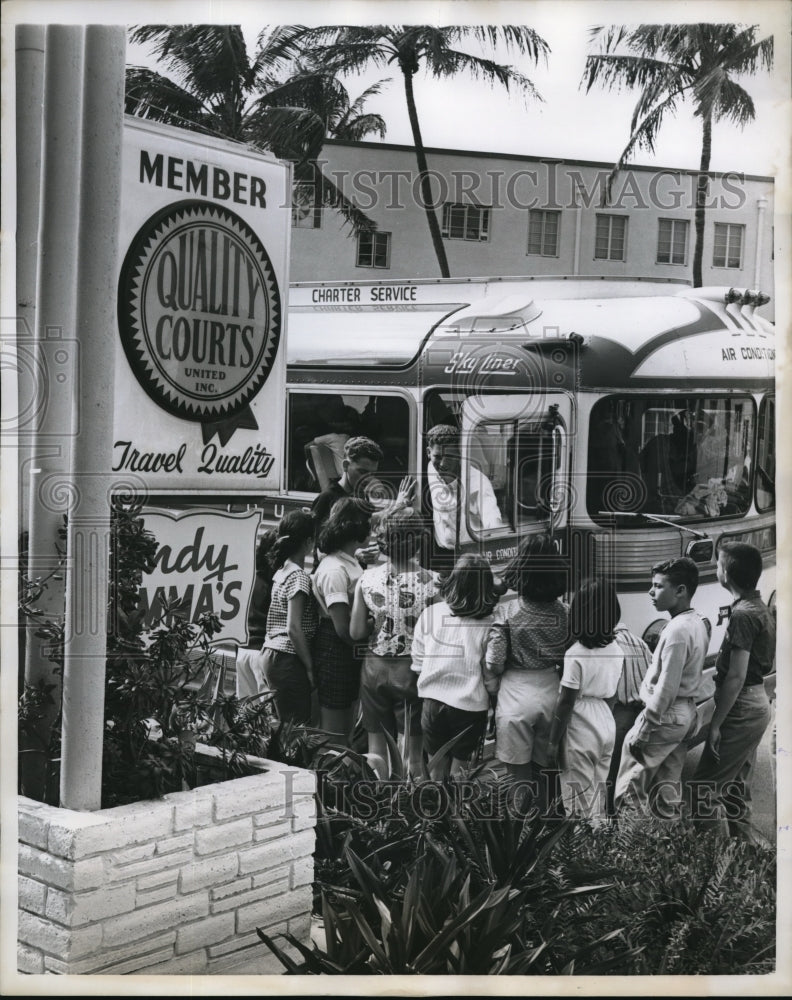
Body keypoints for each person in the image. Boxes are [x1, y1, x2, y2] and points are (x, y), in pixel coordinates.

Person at [692, 542, 775, 842]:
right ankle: (746, 857)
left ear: (725, 573)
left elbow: (736, 676)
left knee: (703, 791)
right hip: (757, 703)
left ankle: (713, 868)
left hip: (741, 706)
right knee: (736, 789)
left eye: (717, 564)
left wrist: (714, 725)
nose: (716, 569)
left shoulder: (742, 615)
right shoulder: (758, 607)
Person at [614, 557, 708, 819]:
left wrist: (645, 727)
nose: (650, 592)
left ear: (680, 591)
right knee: (667, 793)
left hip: (663, 716)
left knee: (628, 792)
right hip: (684, 713)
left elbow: (666, 687)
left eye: (657, 586)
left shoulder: (676, 630)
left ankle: (627, 852)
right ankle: (669, 853)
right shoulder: (697, 621)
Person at [350, 507, 440, 778]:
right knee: (413, 757)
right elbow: (438, 636)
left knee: (377, 753)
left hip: (373, 670)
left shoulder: (366, 579)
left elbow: (355, 632)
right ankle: (413, 813)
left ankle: (377, 808)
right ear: (419, 541)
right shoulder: (433, 582)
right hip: (412, 673)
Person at [485, 533, 569, 813]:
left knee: (518, 784)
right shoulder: (566, 614)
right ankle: (548, 834)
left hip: (515, 698)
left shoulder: (506, 613)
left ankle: (519, 840)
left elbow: (494, 663)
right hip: (553, 694)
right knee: (546, 774)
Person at [411, 554, 501, 780]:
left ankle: (434, 810)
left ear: (452, 581)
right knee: (460, 770)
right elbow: (489, 673)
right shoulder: (490, 623)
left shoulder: (431, 613)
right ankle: (457, 811)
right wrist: (494, 699)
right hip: (469, 707)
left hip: (432, 700)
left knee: (436, 766)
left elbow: (418, 661)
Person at [547, 579, 624, 822]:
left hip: (580, 726)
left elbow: (566, 703)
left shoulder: (575, 654)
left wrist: (552, 741)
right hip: (605, 721)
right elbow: (613, 696)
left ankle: (582, 853)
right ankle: (600, 846)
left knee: (578, 801)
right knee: (598, 794)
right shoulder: (617, 648)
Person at [311, 499, 372, 742]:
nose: (371, 529)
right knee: (335, 732)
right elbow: (343, 629)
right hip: (336, 651)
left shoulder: (348, 561)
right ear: (355, 526)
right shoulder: (334, 569)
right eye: (368, 523)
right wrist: (373, 628)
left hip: (348, 650)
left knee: (348, 725)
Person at [311, 435, 413, 567]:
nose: (368, 479)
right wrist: (354, 554)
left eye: (372, 474)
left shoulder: (362, 496)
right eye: (362, 472)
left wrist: (400, 505)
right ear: (346, 465)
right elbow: (318, 552)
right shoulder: (327, 498)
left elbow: (369, 522)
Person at [261, 510, 319, 725]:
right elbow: (294, 628)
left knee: (281, 724)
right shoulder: (299, 577)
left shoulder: (282, 571)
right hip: (288, 657)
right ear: (309, 542)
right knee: (296, 727)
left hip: (271, 653)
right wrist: (310, 667)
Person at [425, 424, 504, 552]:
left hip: (470, 555)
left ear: (460, 453)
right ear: (429, 453)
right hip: (440, 551)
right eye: (438, 457)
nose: (443, 464)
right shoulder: (430, 468)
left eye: (450, 457)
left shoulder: (478, 483)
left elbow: (493, 522)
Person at [605, 620, 653, 815]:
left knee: (612, 773)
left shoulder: (609, 645)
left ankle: (611, 819)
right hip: (641, 713)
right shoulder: (639, 642)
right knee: (630, 775)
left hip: (620, 713)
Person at [235, 528, 277, 701]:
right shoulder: (276, 581)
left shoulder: (248, 577)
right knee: (266, 717)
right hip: (262, 653)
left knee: (245, 712)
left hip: (243, 651)